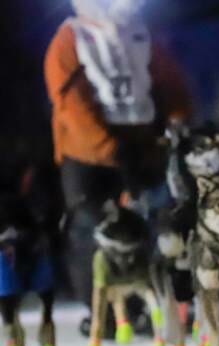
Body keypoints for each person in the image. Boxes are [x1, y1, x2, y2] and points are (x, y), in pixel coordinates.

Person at [44, 0, 190, 319]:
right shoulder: (70, 38)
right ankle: (103, 313)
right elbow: (70, 103)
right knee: (92, 229)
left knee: (153, 222)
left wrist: (178, 122)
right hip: (88, 154)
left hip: (143, 145)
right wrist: (107, 146)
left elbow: (170, 82)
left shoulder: (140, 33)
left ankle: (155, 304)